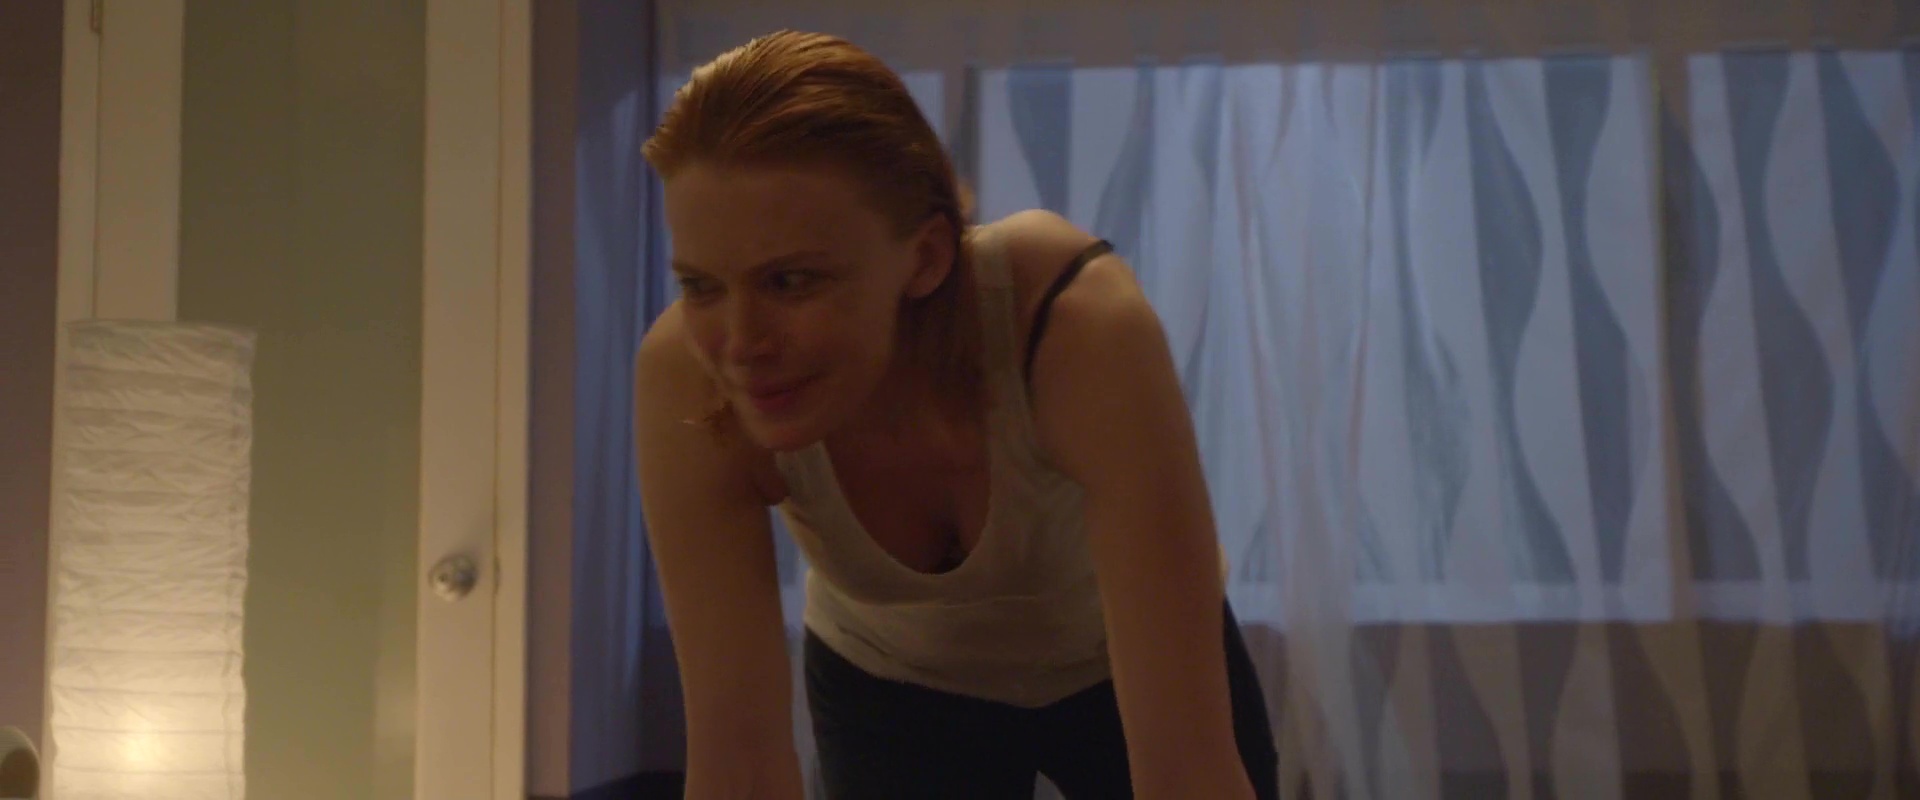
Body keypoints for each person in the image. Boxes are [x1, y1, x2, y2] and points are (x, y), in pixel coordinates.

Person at [633, 30, 1281, 800]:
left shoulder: (1075, 329)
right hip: (892, 679)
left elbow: (1188, 775)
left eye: (792, 281)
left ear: (928, 257)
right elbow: (737, 766)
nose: (741, 343)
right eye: (701, 285)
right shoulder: (690, 371)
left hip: (1114, 658)